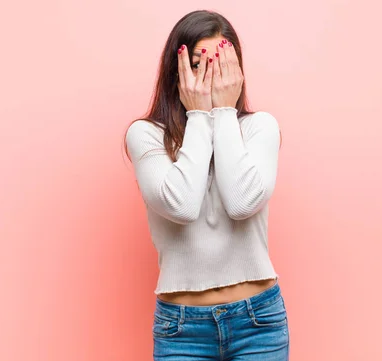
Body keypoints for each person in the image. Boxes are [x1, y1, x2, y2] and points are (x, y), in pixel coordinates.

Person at [125, 9, 289, 361]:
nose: (212, 75)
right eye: (199, 63)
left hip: (258, 323)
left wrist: (224, 114)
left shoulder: (260, 127)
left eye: (222, 63)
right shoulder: (147, 135)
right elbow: (181, 205)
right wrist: (199, 115)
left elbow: (242, 202)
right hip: (181, 329)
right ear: (177, 72)